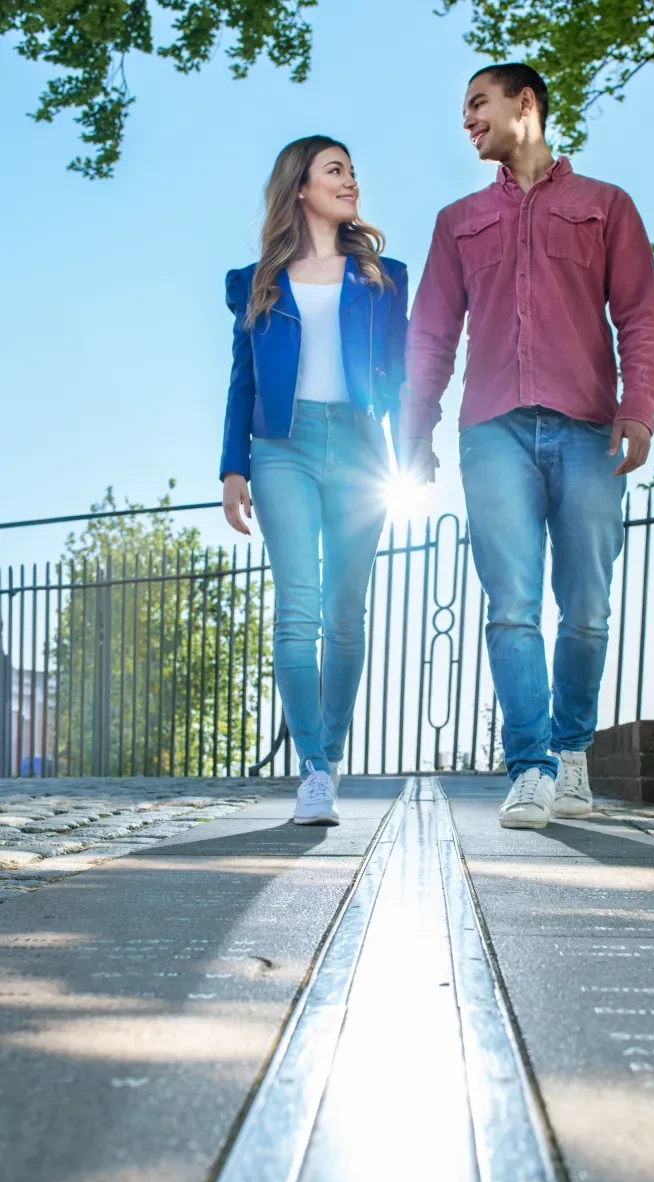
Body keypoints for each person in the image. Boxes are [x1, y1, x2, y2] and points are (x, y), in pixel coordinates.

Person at [401, 64, 654, 830]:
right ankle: (531, 766)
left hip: (588, 430)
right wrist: (415, 426)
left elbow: (640, 317)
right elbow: (431, 332)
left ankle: (572, 751)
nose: (466, 120)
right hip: (493, 432)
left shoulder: (605, 206)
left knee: (585, 607)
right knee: (512, 607)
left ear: (527, 106)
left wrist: (638, 407)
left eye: (477, 103)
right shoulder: (458, 221)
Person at [220, 135, 407, 826]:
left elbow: (404, 370)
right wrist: (233, 467)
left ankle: (331, 749)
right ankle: (316, 771)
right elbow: (242, 378)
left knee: (345, 614)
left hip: (361, 449)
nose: (350, 181)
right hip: (282, 449)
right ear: (301, 186)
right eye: (336, 171)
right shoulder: (256, 282)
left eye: (354, 171)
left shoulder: (384, 276)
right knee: (298, 610)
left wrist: (412, 443)